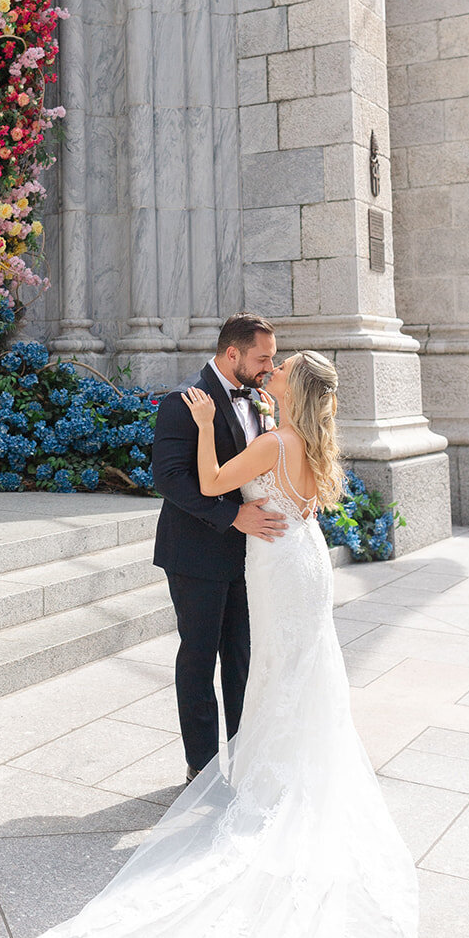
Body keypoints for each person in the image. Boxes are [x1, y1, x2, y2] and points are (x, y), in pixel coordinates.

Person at [35, 350, 418, 938]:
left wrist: (211, 424)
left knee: (274, 669)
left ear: (294, 389)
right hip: (299, 559)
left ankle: (271, 781)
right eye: (270, 362)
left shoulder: (273, 440)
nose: (271, 373)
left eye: (282, 369)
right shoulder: (307, 441)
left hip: (276, 564)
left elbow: (212, 482)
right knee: (293, 671)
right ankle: (287, 770)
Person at [152, 313, 284, 782]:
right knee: (199, 658)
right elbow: (169, 479)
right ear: (233, 353)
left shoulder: (259, 398)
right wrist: (232, 516)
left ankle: (243, 758)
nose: (270, 366)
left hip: (248, 554)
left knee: (241, 657)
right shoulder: (184, 400)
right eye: (262, 358)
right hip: (196, 553)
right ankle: (202, 769)